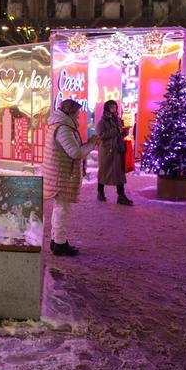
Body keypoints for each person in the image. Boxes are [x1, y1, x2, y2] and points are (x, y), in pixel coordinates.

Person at [43, 99, 98, 256]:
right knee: (62, 209)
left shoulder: (61, 125)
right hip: (61, 176)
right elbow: (75, 152)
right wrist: (92, 144)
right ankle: (60, 244)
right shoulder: (63, 129)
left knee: (60, 208)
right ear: (70, 112)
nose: (78, 117)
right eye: (77, 114)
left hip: (60, 174)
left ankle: (56, 241)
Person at [96, 100, 134, 206]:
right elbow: (101, 135)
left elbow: (119, 134)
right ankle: (100, 192)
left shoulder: (118, 119)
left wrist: (125, 131)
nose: (114, 108)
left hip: (117, 150)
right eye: (112, 106)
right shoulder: (102, 121)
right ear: (107, 108)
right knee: (104, 172)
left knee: (119, 174)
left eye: (115, 106)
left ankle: (121, 196)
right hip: (107, 151)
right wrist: (117, 130)